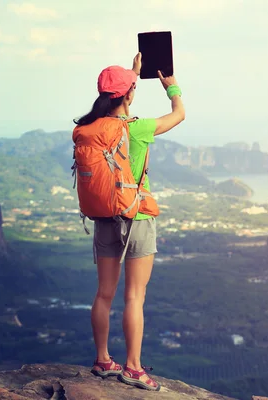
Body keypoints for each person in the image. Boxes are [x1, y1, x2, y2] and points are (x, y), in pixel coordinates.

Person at [74, 52, 185, 391]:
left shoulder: (87, 129)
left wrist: (131, 75)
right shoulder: (137, 129)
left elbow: (119, 96)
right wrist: (171, 86)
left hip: (104, 217)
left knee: (104, 293)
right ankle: (133, 368)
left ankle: (103, 359)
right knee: (134, 296)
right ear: (129, 95)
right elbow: (179, 114)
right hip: (136, 216)